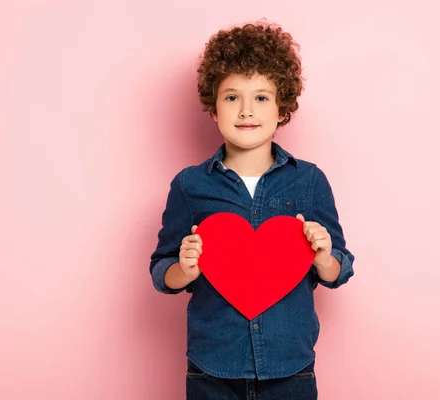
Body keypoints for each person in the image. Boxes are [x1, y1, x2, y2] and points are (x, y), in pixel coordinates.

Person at [150, 20, 355, 400]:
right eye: (232, 97)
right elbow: (161, 273)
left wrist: (324, 256)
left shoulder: (308, 182)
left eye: (261, 97)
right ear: (213, 108)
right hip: (212, 370)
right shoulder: (189, 186)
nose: (246, 110)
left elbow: (339, 271)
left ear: (282, 109)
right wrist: (185, 268)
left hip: (290, 369)